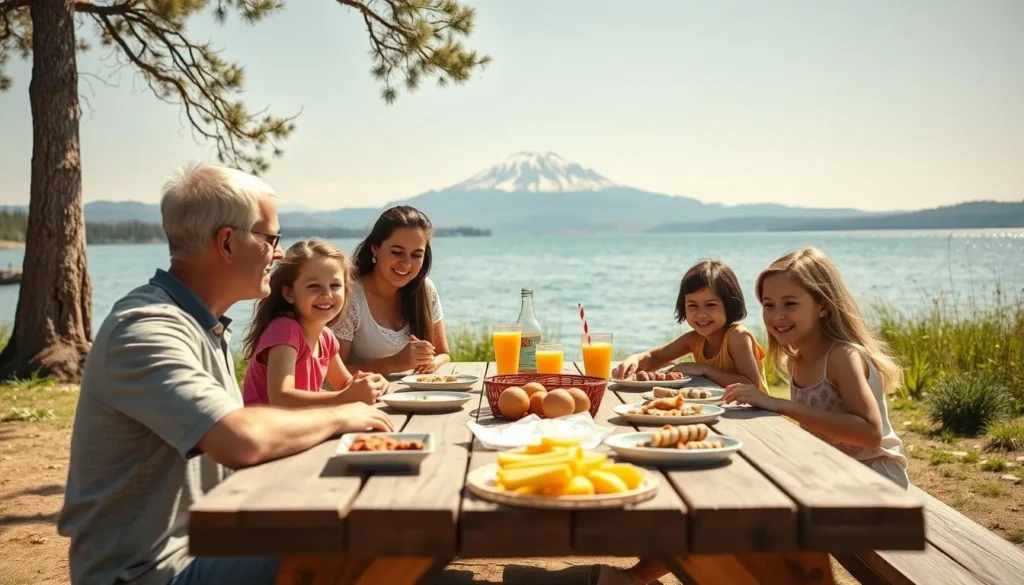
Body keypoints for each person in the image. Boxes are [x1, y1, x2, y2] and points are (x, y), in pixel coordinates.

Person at [57, 164, 394, 585]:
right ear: (229, 243)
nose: (278, 254)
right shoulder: (146, 328)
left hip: (209, 544)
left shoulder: (202, 325)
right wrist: (345, 414)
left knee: (370, 520)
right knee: (368, 540)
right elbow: (240, 438)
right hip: (150, 573)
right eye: (272, 238)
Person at [723, 247, 909, 488]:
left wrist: (781, 405)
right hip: (831, 472)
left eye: (790, 304)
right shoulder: (796, 360)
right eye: (769, 305)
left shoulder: (842, 357)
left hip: (876, 477)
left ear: (823, 306)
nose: (777, 316)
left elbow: (870, 434)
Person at [241, 239, 389, 406]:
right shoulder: (285, 330)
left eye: (335, 286)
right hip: (265, 429)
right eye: (313, 286)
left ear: (347, 291)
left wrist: (370, 384)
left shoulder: (326, 337)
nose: (326, 294)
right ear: (289, 293)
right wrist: (344, 397)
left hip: (299, 427)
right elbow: (281, 397)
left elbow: (344, 384)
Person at [612, 259, 769, 393]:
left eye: (710, 305)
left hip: (756, 414)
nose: (701, 314)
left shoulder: (737, 336)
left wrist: (704, 369)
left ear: (730, 305)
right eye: (692, 305)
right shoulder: (695, 339)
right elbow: (655, 357)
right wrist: (635, 359)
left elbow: (751, 386)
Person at [331, 205, 451, 375]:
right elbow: (331, 373)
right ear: (375, 248)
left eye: (416, 255)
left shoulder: (425, 290)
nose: (406, 264)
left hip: (417, 398)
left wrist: (432, 363)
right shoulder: (351, 297)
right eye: (397, 252)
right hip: (365, 399)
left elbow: (443, 353)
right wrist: (393, 364)